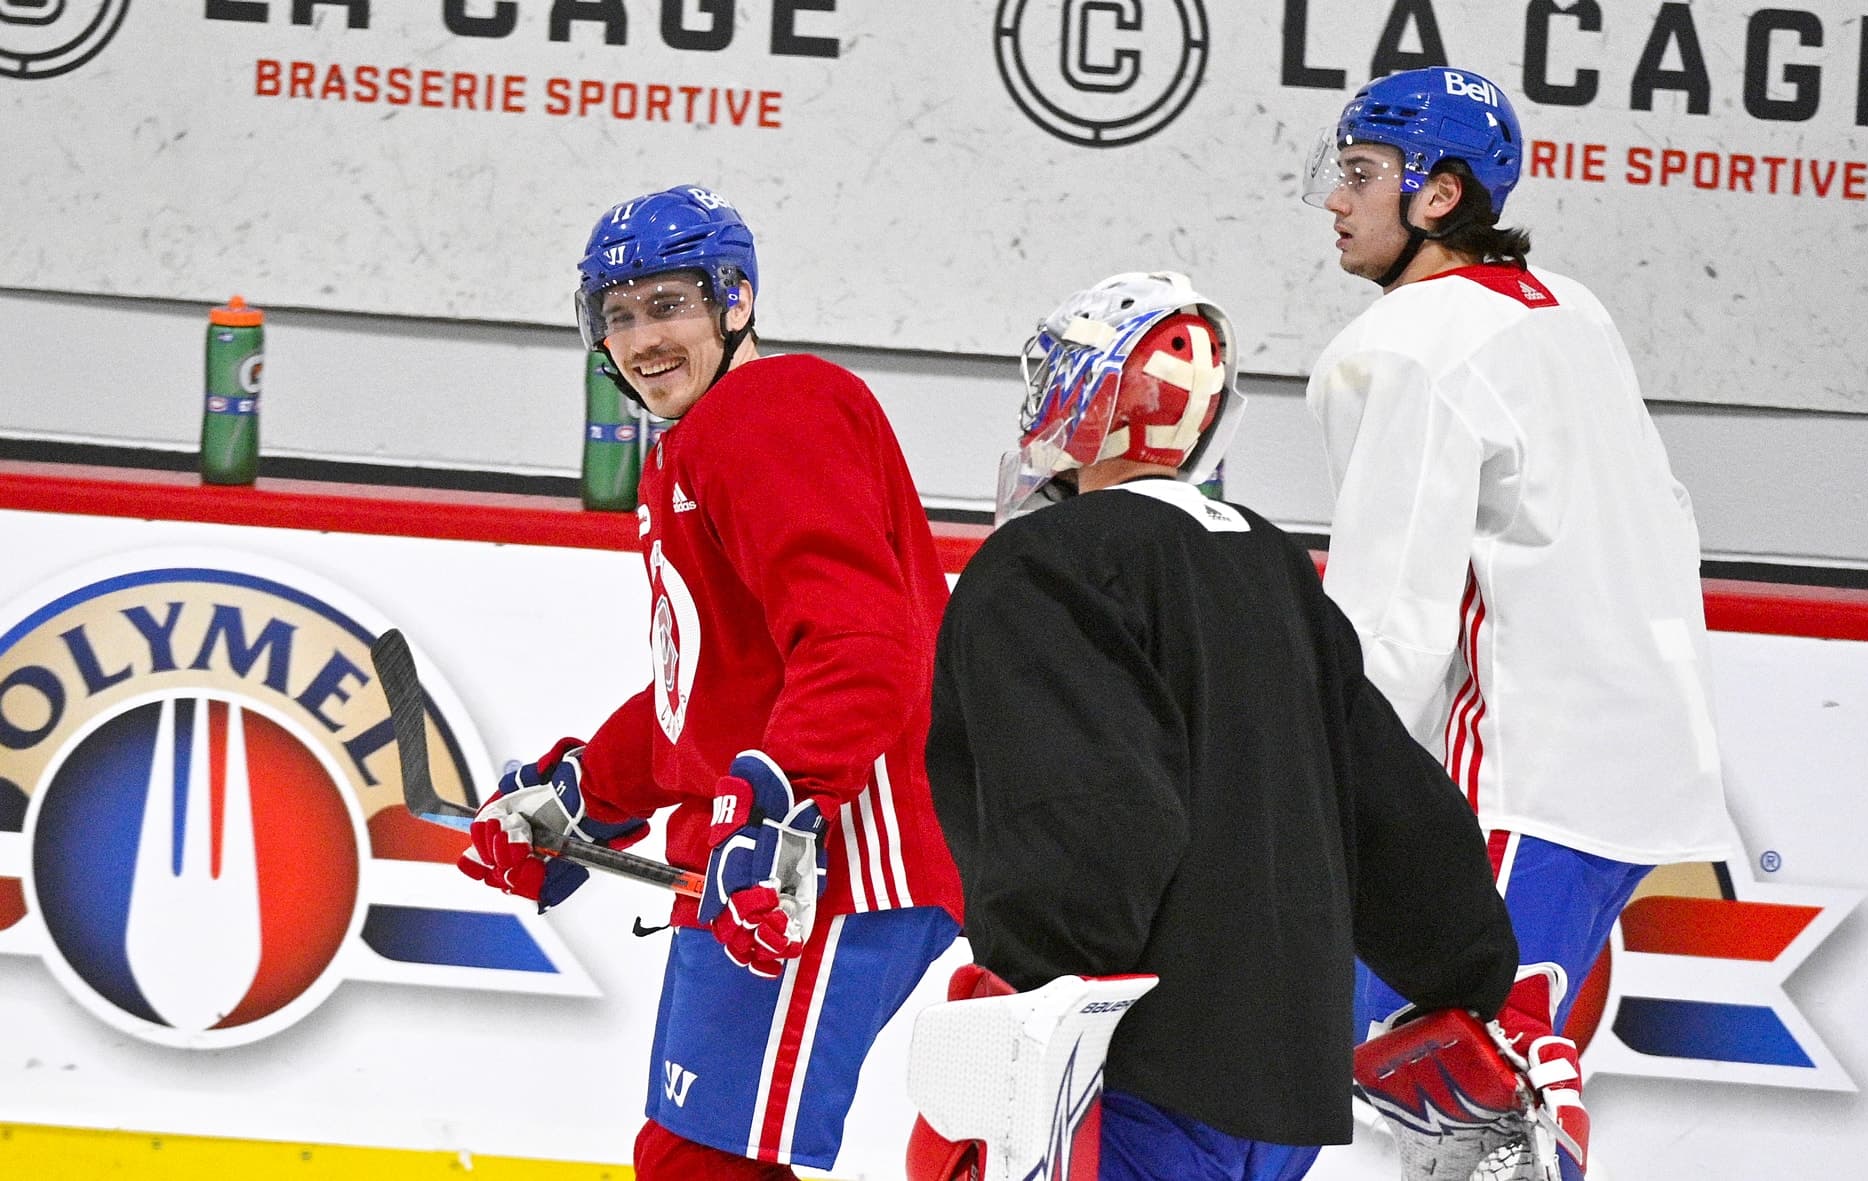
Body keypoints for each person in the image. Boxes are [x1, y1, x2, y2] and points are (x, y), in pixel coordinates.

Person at [922, 271, 1518, 1181]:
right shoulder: (1269, 560)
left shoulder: (1039, 566)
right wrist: (1465, 969)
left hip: (1129, 1070)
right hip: (1286, 1094)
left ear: (1085, 398)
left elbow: (1097, 810)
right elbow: (1392, 804)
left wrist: (1032, 1001)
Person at [455, 184, 963, 1181]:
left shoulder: (771, 409)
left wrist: (781, 809)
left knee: (705, 1162)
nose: (643, 338)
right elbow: (711, 687)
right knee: (690, 1154)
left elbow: (864, 640)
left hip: (839, 859)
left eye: (670, 304)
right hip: (777, 854)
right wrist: (583, 798)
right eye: (621, 314)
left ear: (736, 302)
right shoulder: (699, 441)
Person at [1302, 68, 1739, 1178]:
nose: (1335, 199)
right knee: (1470, 1095)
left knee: (1438, 1094)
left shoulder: (1406, 342)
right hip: (1641, 771)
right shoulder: (1569, 306)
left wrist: (1321, 786)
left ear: (1439, 195)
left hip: (1520, 776)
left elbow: (1391, 613)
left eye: (1362, 174)